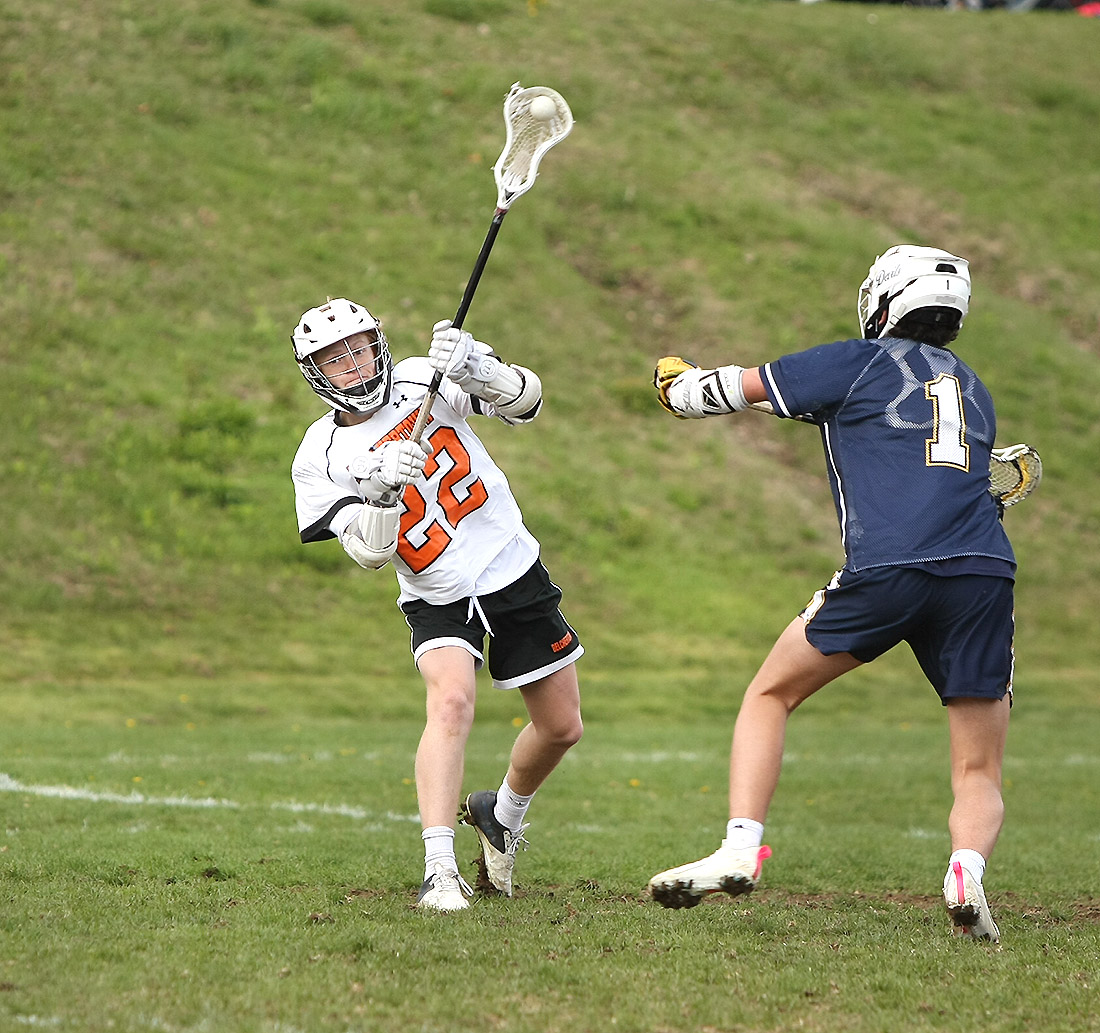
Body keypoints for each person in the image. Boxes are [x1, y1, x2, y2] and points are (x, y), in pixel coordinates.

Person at [647, 245, 1015, 942]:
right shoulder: (973, 387)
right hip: (983, 573)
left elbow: (720, 392)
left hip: (892, 567)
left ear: (884, 302)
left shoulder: (860, 360)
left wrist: (676, 383)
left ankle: (739, 845)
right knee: (977, 763)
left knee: (770, 693)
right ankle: (965, 871)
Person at [290, 298, 584, 912]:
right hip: (436, 593)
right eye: (334, 359)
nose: (353, 364)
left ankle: (500, 815)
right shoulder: (319, 457)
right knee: (451, 700)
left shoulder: (427, 378)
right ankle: (439, 870)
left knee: (561, 727)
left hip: (510, 565)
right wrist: (380, 488)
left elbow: (526, 403)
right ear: (316, 372)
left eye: (359, 348)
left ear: (378, 344)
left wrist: (479, 367)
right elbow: (371, 555)